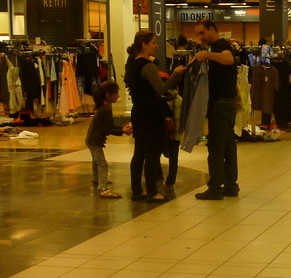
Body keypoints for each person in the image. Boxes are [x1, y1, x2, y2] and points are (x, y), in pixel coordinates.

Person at [125, 31, 183, 203]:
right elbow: (162, 90)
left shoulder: (132, 65)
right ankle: (152, 192)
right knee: (151, 154)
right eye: (154, 42)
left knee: (139, 154)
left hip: (138, 112)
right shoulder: (148, 66)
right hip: (151, 114)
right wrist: (176, 74)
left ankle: (137, 190)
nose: (157, 46)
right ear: (144, 44)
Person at [194, 20, 239, 199]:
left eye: (202, 33)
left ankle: (215, 187)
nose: (200, 37)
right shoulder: (217, 47)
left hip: (220, 105)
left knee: (216, 147)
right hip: (226, 104)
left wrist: (206, 55)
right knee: (228, 146)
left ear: (212, 30)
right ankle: (230, 185)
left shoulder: (220, 45)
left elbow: (229, 59)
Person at [86, 80, 124, 199]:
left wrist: (122, 129)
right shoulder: (105, 109)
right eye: (116, 93)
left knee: (96, 161)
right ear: (108, 94)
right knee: (102, 163)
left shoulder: (103, 107)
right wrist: (123, 130)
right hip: (95, 140)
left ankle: (97, 179)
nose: (118, 96)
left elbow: (108, 126)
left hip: (91, 139)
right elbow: (108, 128)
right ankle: (103, 188)